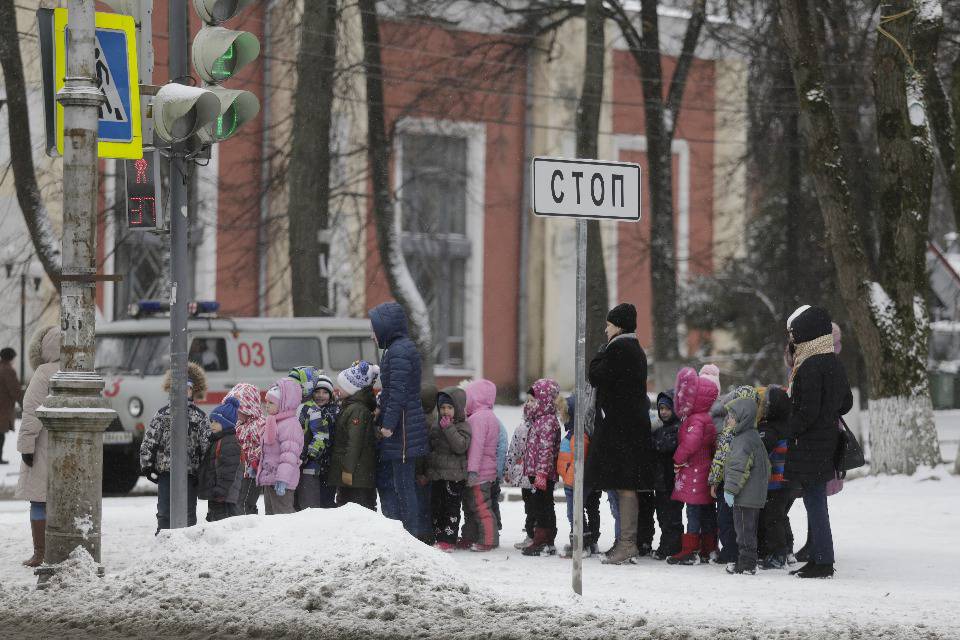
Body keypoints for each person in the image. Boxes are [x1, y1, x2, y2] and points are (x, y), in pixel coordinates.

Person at [784, 305, 853, 579]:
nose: (793, 338)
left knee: (814, 501)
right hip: (828, 440)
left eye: (796, 333)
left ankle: (822, 560)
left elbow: (806, 412)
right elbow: (846, 403)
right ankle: (818, 557)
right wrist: (828, 413)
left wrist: (788, 428)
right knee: (817, 501)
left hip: (811, 444)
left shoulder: (809, 365)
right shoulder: (834, 362)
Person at [584, 303, 654, 565]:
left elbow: (596, 375)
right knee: (624, 486)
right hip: (628, 428)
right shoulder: (632, 348)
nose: (605, 329)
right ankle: (625, 542)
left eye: (609, 324)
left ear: (620, 326)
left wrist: (599, 355)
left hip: (622, 430)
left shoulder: (620, 348)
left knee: (625, 486)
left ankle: (626, 544)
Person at [369, 302, 429, 538]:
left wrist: (387, 425)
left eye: (374, 328)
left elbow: (399, 392)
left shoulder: (399, 351)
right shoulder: (396, 349)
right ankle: (406, 532)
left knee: (404, 486)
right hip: (403, 425)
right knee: (400, 483)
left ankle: (412, 535)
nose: (372, 334)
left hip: (403, 429)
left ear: (386, 326)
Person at [140, 362, 211, 534]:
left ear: (193, 391)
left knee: (188, 512)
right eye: (178, 388)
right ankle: (163, 539)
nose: (182, 392)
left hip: (189, 473)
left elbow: (206, 446)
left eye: (187, 388)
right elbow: (149, 440)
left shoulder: (200, 417)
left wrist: (203, 472)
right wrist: (147, 465)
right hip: (166, 472)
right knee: (164, 512)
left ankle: (187, 541)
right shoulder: (163, 414)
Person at [15, 327, 60, 566]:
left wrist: (26, 448)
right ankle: (62, 550)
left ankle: (40, 553)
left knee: (39, 501)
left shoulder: (43, 372)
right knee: (63, 501)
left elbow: (31, 411)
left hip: (42, 446)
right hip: (67, 447)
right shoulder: (79, 371)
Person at [667, 365, 719, 566]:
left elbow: (692, 442)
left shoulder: (695, 420)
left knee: (693, 510)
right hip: (704, 469)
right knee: (705, 510)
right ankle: (708, 547)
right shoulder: (706, 417)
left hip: (694, 470)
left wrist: (678, 457)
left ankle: (690, 549)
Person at [722, 397, 771, 575]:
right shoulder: (753, 436)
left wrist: (729, 490)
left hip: (745, 496)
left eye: (732, 417)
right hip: (753, 495)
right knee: (748, 530)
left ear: (743, 417)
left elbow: (738, 468)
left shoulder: (743, 440)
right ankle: (747, 560)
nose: (728, 420)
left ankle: (748, 563)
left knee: (743, 531)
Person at [328, 360, 380, 511]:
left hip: (356, 476)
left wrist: (348, 469)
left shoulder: (356, 410)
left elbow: (354, 443)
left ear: (353, 389)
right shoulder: (351, 406)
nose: (338, 389)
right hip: (356, 476)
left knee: (356, 510)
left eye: (342, 386)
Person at [556, 393, 602, 558]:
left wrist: (570, 475)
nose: (562, 417)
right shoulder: (574, 433)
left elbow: (579, 462)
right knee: (586, 510)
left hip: (575, 483)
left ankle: (581, 544)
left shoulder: (579, 436)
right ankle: (589, 541)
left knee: (574, 513)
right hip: (572, 480)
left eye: (564, 414)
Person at [520, 379, 562, 557]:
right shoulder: (538, 420)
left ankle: (543, 540)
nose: (529, 405)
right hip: (534, 472)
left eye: (533, 401)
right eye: (528, 401)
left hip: (542, 474)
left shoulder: (547, 422)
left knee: (543, 506)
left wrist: (541, 474)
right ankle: (546, 539)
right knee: (541, 505)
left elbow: (546, 449)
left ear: (544, 401)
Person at [426, 387, 471, 552]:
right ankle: (438, 536)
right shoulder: (436, 426)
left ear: (457, 409)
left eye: (449, 408)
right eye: (442, 408)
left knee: (451, 508)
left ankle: (448, 539)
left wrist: (449, 429)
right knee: (436, 507)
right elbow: (432, 448)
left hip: (454, 477)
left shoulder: (463, 426)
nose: (445, 411)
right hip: (438, 475)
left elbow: (460, 446)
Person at [291, 367, 339, 510]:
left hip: (326, 464)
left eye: (325, 392)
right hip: (313, 465)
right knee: (306, 499)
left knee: (322, 500)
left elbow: (324, 437)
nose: (320, 395)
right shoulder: (307, 410)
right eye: (317, 392)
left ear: (330, 395)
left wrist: (310, 455)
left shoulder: (333, 412)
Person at [461, 378, 500, 551]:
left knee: (480, 507)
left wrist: (472, 471)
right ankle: (471, 536)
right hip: (487, 471)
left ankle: (488, 540)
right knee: (475, 506)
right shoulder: (491, 417)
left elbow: (475, 448)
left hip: (478, 472)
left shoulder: (477, 419)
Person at [757, 385, 793, 569]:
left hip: (775, 482)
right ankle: (785, 549)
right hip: (787, 481)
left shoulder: (770, 429)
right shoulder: (788, 424)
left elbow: (761, 451)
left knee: (772, 517)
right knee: (779, 515)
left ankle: (778, 554)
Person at [257, 378, 305, 515]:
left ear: (284, 404)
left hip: (282, 480)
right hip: (270, 478)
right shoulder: (274, 422)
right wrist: (258, 469)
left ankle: (288, 536)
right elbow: (267, 452)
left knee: (283, 514)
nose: (266, 405)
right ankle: (272, 537)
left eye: (271, 402)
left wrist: (282, 479)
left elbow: (289, 455)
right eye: (266, 401)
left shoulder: (290, 425)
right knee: (271, 514)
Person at [649, 391, 684, 560]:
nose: (663, 412)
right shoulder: (661, 429)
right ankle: (666, 544)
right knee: (662, 516)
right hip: (661, 483)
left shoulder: (677, 428)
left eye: (667, 409)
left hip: (673, 482)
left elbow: (665, 446)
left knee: (673, 517)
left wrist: (654, 443)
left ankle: (673, 546)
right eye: (661, 408)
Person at [197, 397, 244, 521]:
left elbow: (228, 471)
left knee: (223, 523)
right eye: (211, 421)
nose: (211, 425)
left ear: (226, 424)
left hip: (224, 497)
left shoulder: (228, 443)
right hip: (217, 495)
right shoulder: (218, 440)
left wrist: (220, 491)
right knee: (215, 520)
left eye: (216, 422)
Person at [228, 383, 266, 515]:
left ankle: (247, 527)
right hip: (240, 471)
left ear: (249, 408)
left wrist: (256, 459)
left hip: (251, 472)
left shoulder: (259, 424)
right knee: (239, 501)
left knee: (244, 503)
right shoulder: (239, 424)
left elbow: (264, 445)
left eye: (239, 409)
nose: (236, 413)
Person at [503, 404, 535, 550]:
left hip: (526, 475)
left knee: (530, 506)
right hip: (539, 476)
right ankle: (536, 534)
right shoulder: (547, 427)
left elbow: (513, 451)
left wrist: (508, 471)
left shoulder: (521, 428)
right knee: (538, 506)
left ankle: (531, 535)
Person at [415, 384, 439, 544]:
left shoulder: (421, 421)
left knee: (422, 504)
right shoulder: (431, 421)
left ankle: (424, 533)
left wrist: (420, 472)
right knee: (427, 504)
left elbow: (422, 451)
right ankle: (427, 533)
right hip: (428, 471)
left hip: (423, 471)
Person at [0, 347, 20, 464]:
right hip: (3, 407)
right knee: (1, 434)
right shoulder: (8, 370)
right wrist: (24, 402)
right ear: (11, 357)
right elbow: (15, 390)